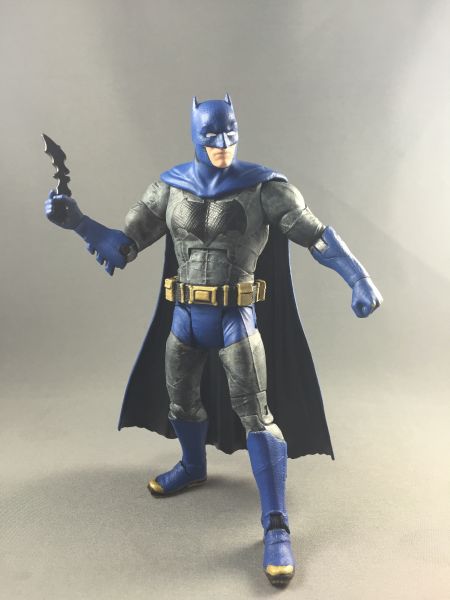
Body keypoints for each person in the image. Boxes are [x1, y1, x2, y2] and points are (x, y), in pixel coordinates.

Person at [45, 94, 382, 586]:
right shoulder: (169, 187)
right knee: (180, 402)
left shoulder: (265, 188)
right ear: (194, 134)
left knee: (257, 417)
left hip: (235, 318)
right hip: (184, 316)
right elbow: (123, 247)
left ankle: (276, 525)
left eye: (230, 132)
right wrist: (79, 223)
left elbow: (317, 236)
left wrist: (358, 278)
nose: (223, 143)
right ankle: (193, 465)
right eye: (211, 135)